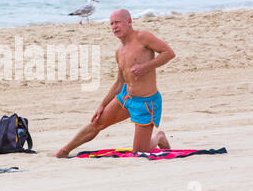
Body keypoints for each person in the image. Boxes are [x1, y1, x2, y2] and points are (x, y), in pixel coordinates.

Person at [54, 9, 175, 158]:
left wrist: (145, 67)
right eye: (111, 24)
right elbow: (119, 82)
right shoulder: (119, 51)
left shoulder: (142, 37)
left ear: (129, 22)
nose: (114, 27)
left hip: (146, 103)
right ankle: (64, 151)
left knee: (139, 153)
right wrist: (102, 105)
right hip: (126, 98)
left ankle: (159, 137)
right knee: (97, 123)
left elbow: (169, 53)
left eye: (117, 22)